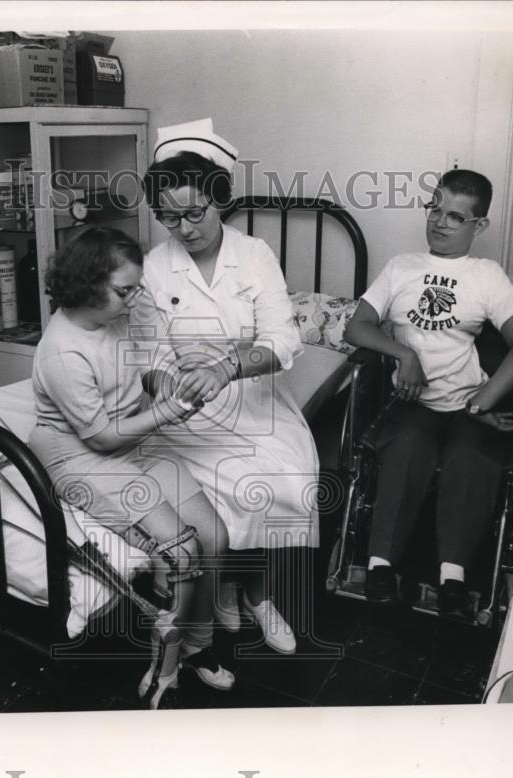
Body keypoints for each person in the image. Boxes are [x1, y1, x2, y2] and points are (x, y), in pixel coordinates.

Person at [130, 119, 319, 654]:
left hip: (251, 393)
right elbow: (148, 352)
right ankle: (222, 589)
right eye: (169, 217)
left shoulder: (253, 255)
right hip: (181, 408)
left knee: (277, 479)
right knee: (212, 491)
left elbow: (284, 336)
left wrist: (227, 369)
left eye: (195, 213)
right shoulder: (152, 268)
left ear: (220, 200)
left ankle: (257, 592)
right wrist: (167, 385)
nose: (184, 228)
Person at [27, 227, 234, 709]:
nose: (136, 296)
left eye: (136, 286)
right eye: (126, 290)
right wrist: (167, 412)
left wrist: (161, 386)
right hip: (81, 455)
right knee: (182, 553)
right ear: (88, 285)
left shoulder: (114, 317)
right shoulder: (63, 350)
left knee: (215, 537)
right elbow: (97, 436)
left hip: (132, 440)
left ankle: (197, 646)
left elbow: (133, 373)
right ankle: (164, 668)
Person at [342, 169, 513, 620]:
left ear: (479, 226)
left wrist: (481, 403)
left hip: (469, 407)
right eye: (435, 209)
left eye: (455, 216)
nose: (439, 222)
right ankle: (379, 567)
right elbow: (356, 327)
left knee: (468, 458)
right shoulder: (400, 267)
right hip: (414, 405)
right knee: (408, 447)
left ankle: (452, 578)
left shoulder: (485, 275)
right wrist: (403, 353)